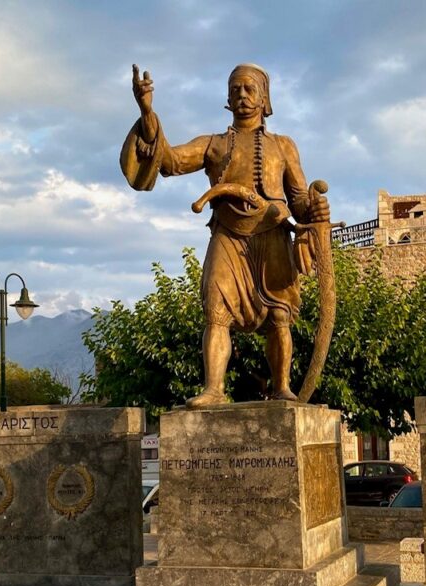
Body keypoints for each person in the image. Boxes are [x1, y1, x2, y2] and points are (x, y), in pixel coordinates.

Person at [121, 63, 330, 407]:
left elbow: (298, 199)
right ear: (227, 100)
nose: (242, 96)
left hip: (273, 234)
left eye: (250, 89)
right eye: (235, 90)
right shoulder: (213, 145)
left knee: (279, 315)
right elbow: (171, 161)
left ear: (265, 99)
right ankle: (214, 389)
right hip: (227, 236)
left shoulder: (283, 146)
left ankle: (282, 388)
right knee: (216, 311)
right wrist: (147, 112)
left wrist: (315, 209)